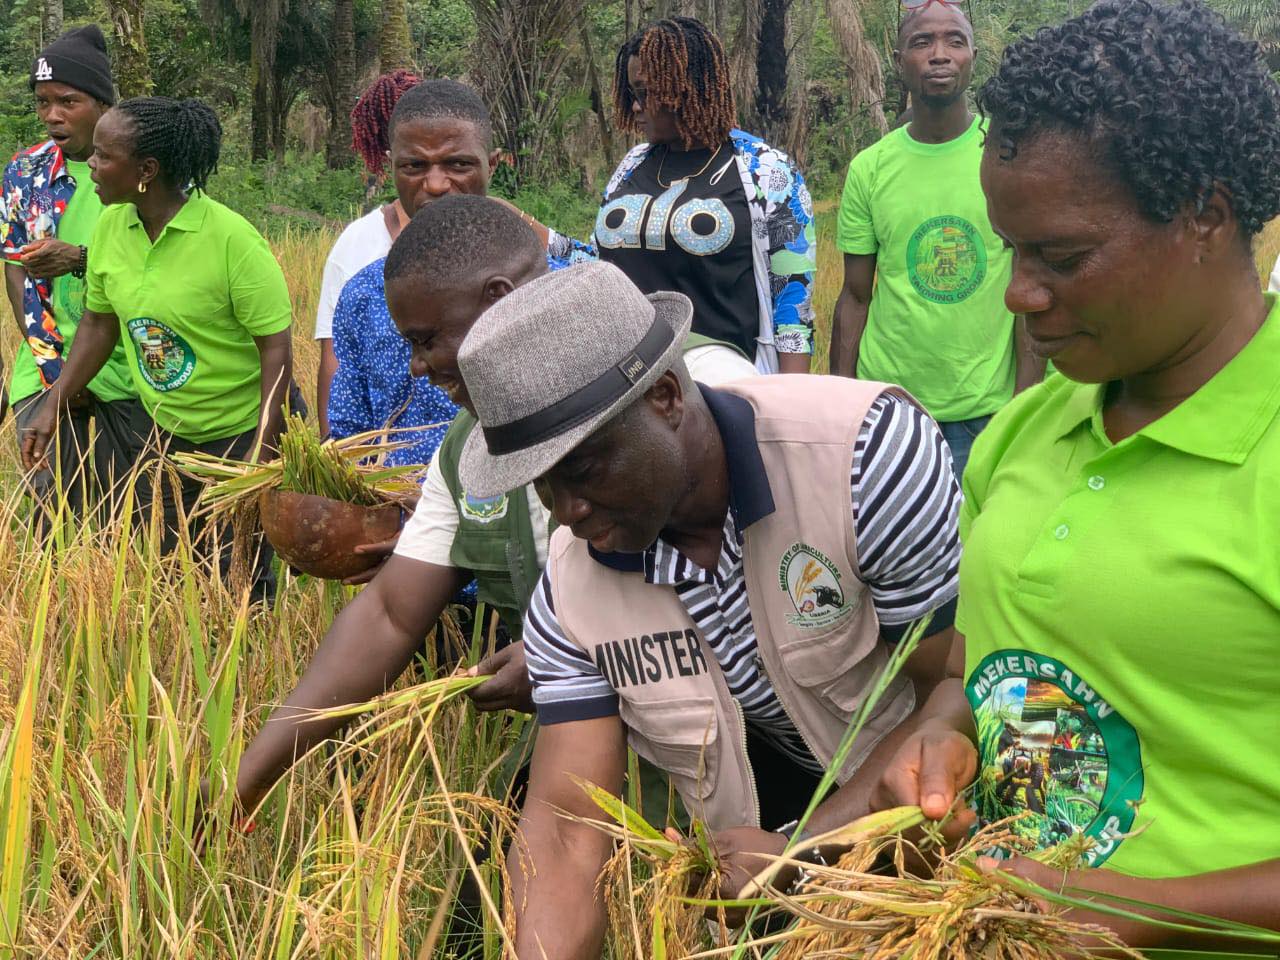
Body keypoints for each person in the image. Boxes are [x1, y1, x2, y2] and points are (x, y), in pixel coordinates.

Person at [872, 1, 1280, 952]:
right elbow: (975, 666)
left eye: (1061, 257)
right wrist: (942, 731)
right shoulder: (1027, 429)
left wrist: (1132, 908)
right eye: (1010, 249)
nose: (1018, 293)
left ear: (1206, 216)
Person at [446, 260, 961, 957]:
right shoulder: (570, 590)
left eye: (584, 470)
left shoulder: (863, 457)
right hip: (758, 848)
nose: (566, 514)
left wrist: (805, 851)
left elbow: (954, 694)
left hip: (937, 836)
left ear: (664, 396)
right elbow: (566, 832)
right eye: (542, 487)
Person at [230, 194, 762, 817]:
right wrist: (246, 780)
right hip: (597, 770)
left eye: (427, 339)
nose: (417, 366)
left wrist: (592, 655)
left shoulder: (699, 383)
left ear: (499, 300)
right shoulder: (470, 449)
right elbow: (390, 615)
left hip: (756, 764)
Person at [21, 97, 293, 599]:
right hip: (164, 432)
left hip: (237, 433)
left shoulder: (231, 240)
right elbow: (99, 324)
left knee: (240, 577)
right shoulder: (112, 227)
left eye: (104, 156)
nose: (91, 164)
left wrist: (262, 451)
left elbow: (276, 349)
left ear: (146, 171)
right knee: (174, 568)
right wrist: (54, 401)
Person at [327, 79, 597, 472]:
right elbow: (350, 439)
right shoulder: (363, 297)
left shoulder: (554, 291)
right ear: (391, 168)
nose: (436, 185)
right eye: (414, 166)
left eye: (458, 165)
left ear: (492, 164)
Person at [830, 0, 1041, 476]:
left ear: (972, 57)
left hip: (986, 412)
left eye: (955, 41)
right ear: (899, 60)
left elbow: (1031, 285)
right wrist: (841, 405)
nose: (939, 54)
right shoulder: (869, 169)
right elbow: (855, 296)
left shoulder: (1007, 156)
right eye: (922, 42)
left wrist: (1025, 406)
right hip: (889, 410)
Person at [593, 17, 814, 376]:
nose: (635, 107)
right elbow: (598, 265)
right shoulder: (631, 165)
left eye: (645, 92)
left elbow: (793, 307)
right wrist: (520, 223)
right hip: (627, 382)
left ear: (686, 87)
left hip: (724, 388)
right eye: (632, 93)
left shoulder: (766, 171)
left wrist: (790, 400)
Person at [2, 24, 149, 516]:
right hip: (46, 370)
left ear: (103, 104)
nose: (52, 115)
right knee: (56, 518)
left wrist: (80, 259)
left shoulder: (141, 172)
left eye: (68, 101)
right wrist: (54, 368)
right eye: (43, 102)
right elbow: (17, 272)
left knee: (129, 517)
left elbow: (159, 266)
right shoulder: (25, 173)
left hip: (130, 373)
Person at [313, 69, 419, 436]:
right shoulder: (359, 246)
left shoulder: (505, 242)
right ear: (390, 158)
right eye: (415, 162)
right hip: (386, 460)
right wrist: (333, 455)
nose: (436, 181)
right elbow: (336, 363)